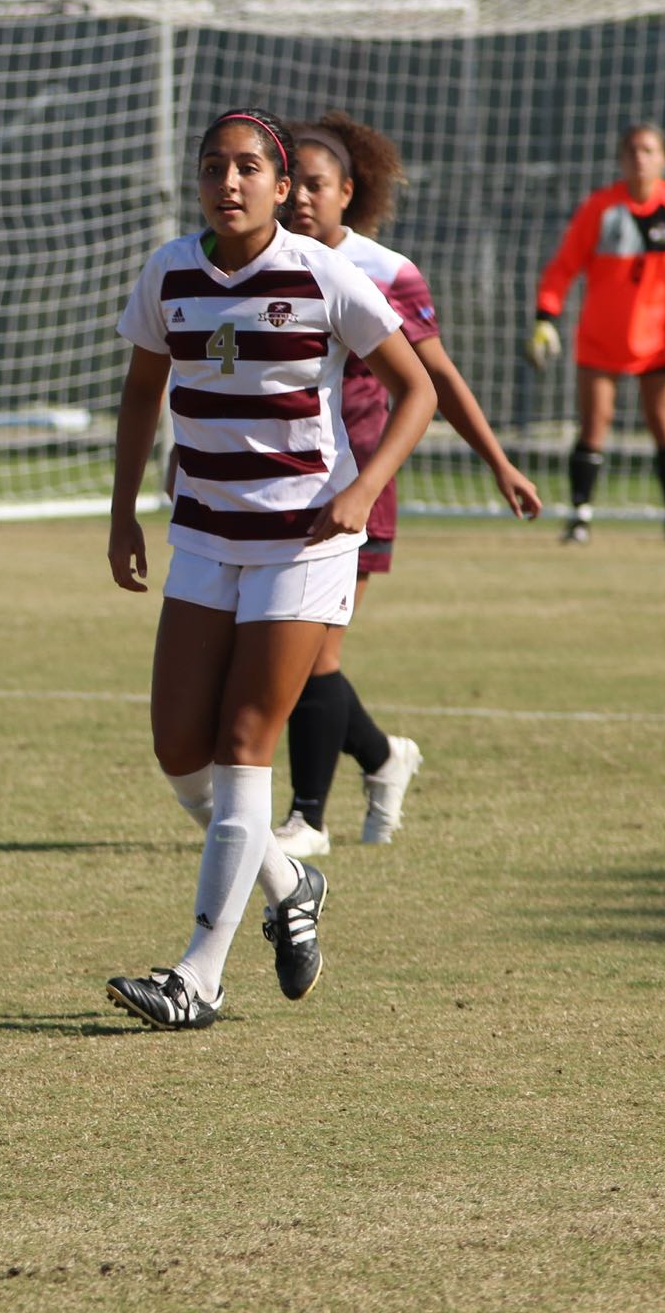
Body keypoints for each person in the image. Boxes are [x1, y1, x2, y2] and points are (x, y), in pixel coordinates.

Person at [105, 109, 436, 1031]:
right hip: (204, 536)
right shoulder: (170, 270)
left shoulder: (326, 274)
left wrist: (365, 488)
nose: (230, 182)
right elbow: (141, 394)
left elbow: (421, 390)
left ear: (284, 188)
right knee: (180, 750)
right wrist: (125, 510)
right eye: (215, 166)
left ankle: (198, 976)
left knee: (245, 743)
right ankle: (291, 881)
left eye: (250, 167)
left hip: (304, 541)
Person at [272, 115, 542, 857]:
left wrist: (500, 464)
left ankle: (307, 819)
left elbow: (437, 378)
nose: (299, 200)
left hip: (361, 488)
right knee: (291, 653)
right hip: (284, 493)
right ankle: (387, 758)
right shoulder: (262, 265)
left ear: (348, 193)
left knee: (311, 657)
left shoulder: (385, 270)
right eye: (291, 183)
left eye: (315, 186)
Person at [525, 121, 665, 544]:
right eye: (631, 151)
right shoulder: (602, 207)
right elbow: (564, 266)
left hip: (660, 341)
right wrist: (544, 318)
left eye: (648, 150)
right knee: (594, 425)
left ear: (663, 158)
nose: (639, 158)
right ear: (620, 159)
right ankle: (580, 516)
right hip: (602, 337)